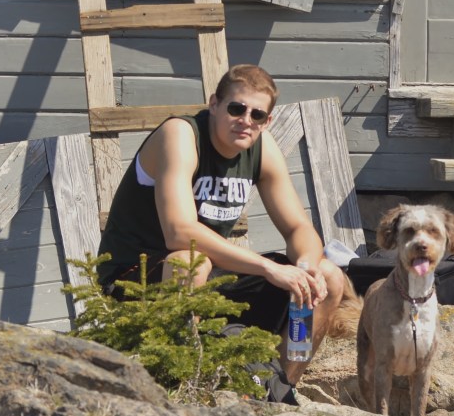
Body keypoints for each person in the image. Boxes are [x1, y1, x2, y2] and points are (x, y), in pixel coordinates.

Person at [97, 64, 347, 389]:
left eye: (257, 115)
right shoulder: (181, 135)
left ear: (267, 121)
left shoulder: (261, 147)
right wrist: (268, 268)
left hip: (210, 274)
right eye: (236, 108)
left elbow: (299, 227)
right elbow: (180, 233)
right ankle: (182, 386)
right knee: (190, 263)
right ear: (214, 104)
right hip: (137, 277)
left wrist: (304, 268)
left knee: (326, 276)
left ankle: (282, 392)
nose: (245, 120)